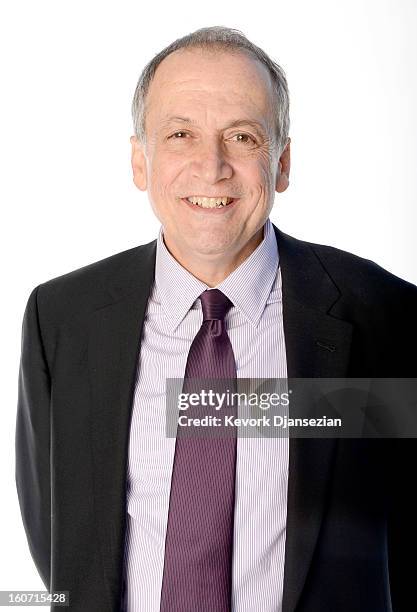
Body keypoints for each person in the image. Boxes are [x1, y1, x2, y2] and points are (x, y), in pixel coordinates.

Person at [15, 25, 417, 612]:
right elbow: (61, 541)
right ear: (139, 162)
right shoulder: (63, 319)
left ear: (280, 163)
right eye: (180, 134)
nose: (212, 166)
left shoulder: (386, 316)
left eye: (243, 137)